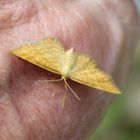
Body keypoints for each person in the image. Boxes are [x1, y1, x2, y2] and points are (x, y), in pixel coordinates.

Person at [0, 0, 139, 140]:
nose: (62, 79)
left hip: (58, 61)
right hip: (68, 64)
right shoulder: (67, 74)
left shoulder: (62, 71)